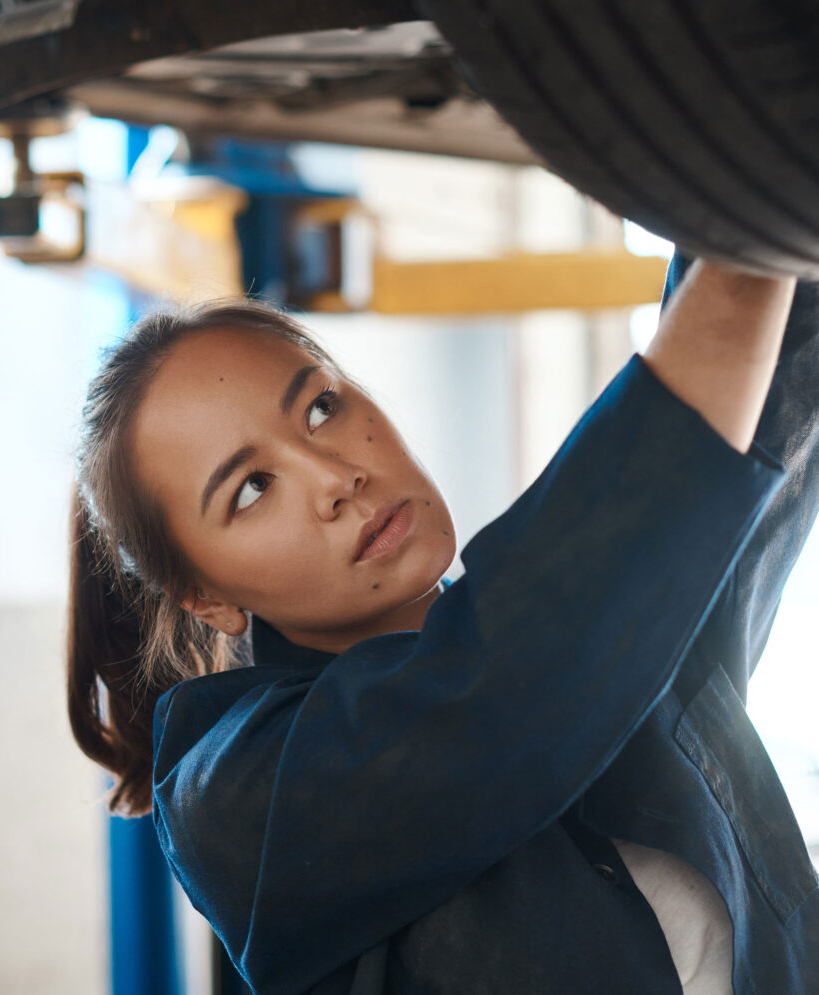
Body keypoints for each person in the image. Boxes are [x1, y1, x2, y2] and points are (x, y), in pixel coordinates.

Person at [67, 252, 819, 994]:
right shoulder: (240, 803)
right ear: (205, 597)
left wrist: (763, 192)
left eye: (321, 407)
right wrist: (744, 225)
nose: (336, 478)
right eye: (252, 488)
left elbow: (762, 420)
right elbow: (500, 686)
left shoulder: (603, 637)